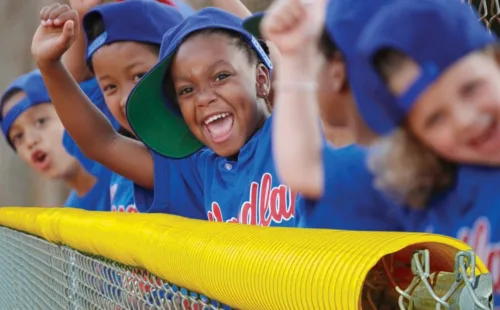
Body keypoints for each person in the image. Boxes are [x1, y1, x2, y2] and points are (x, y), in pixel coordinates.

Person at [31, 0, 204, 215]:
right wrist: (48, 63)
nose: (126, 98)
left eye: (139, 75)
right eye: (110, 86)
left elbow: (100, 142)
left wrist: (50, 65)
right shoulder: (125, 150)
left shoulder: (197, 157)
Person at [0, 70, 110, 210]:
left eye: (41, 121)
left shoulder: (127, 175)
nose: (30, 141)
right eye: (18, 136)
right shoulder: (69, 216)